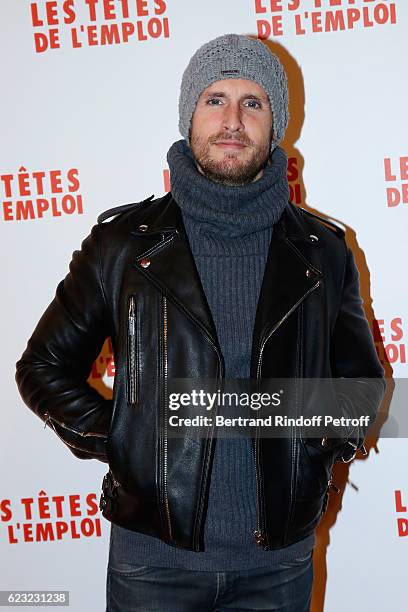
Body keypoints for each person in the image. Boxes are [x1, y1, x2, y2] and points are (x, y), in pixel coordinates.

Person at [15, 33, 385, 612]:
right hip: (153, 563)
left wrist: (313, 444)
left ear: (275, 124)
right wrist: (123, 436)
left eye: (253, 102)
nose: (232, 120)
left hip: (278, 564)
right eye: (215, 99)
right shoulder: (121, 245)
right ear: (190, 115)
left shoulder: (323, 251)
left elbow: (361, 385)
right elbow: (42, 366)